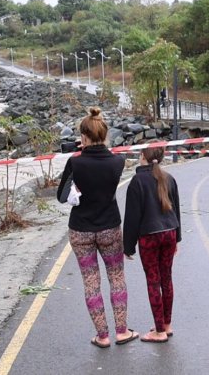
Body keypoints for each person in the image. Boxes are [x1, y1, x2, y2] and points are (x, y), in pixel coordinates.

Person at [57, 107, 138, 348]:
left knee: (91, 281)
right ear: (104, 134)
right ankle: (122, 331)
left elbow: (61, 196)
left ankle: (102, 336)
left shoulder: (75, 162)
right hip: (109, 227)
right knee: (117, 276)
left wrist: (79, 157)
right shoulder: (117, 162)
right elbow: (105, 162)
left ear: (83, 136)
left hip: (80, 230)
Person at [123, 144, 181, 343]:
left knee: (153, 281)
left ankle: (159, 331)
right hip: (170, 232)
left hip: (149, 236)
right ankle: (166, 324)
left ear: (142, 156)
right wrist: (177, 238)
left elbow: (132, 217)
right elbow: (176, 210)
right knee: (167, 279)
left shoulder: (137, 181)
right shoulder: (169, 178)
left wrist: (128, 246)